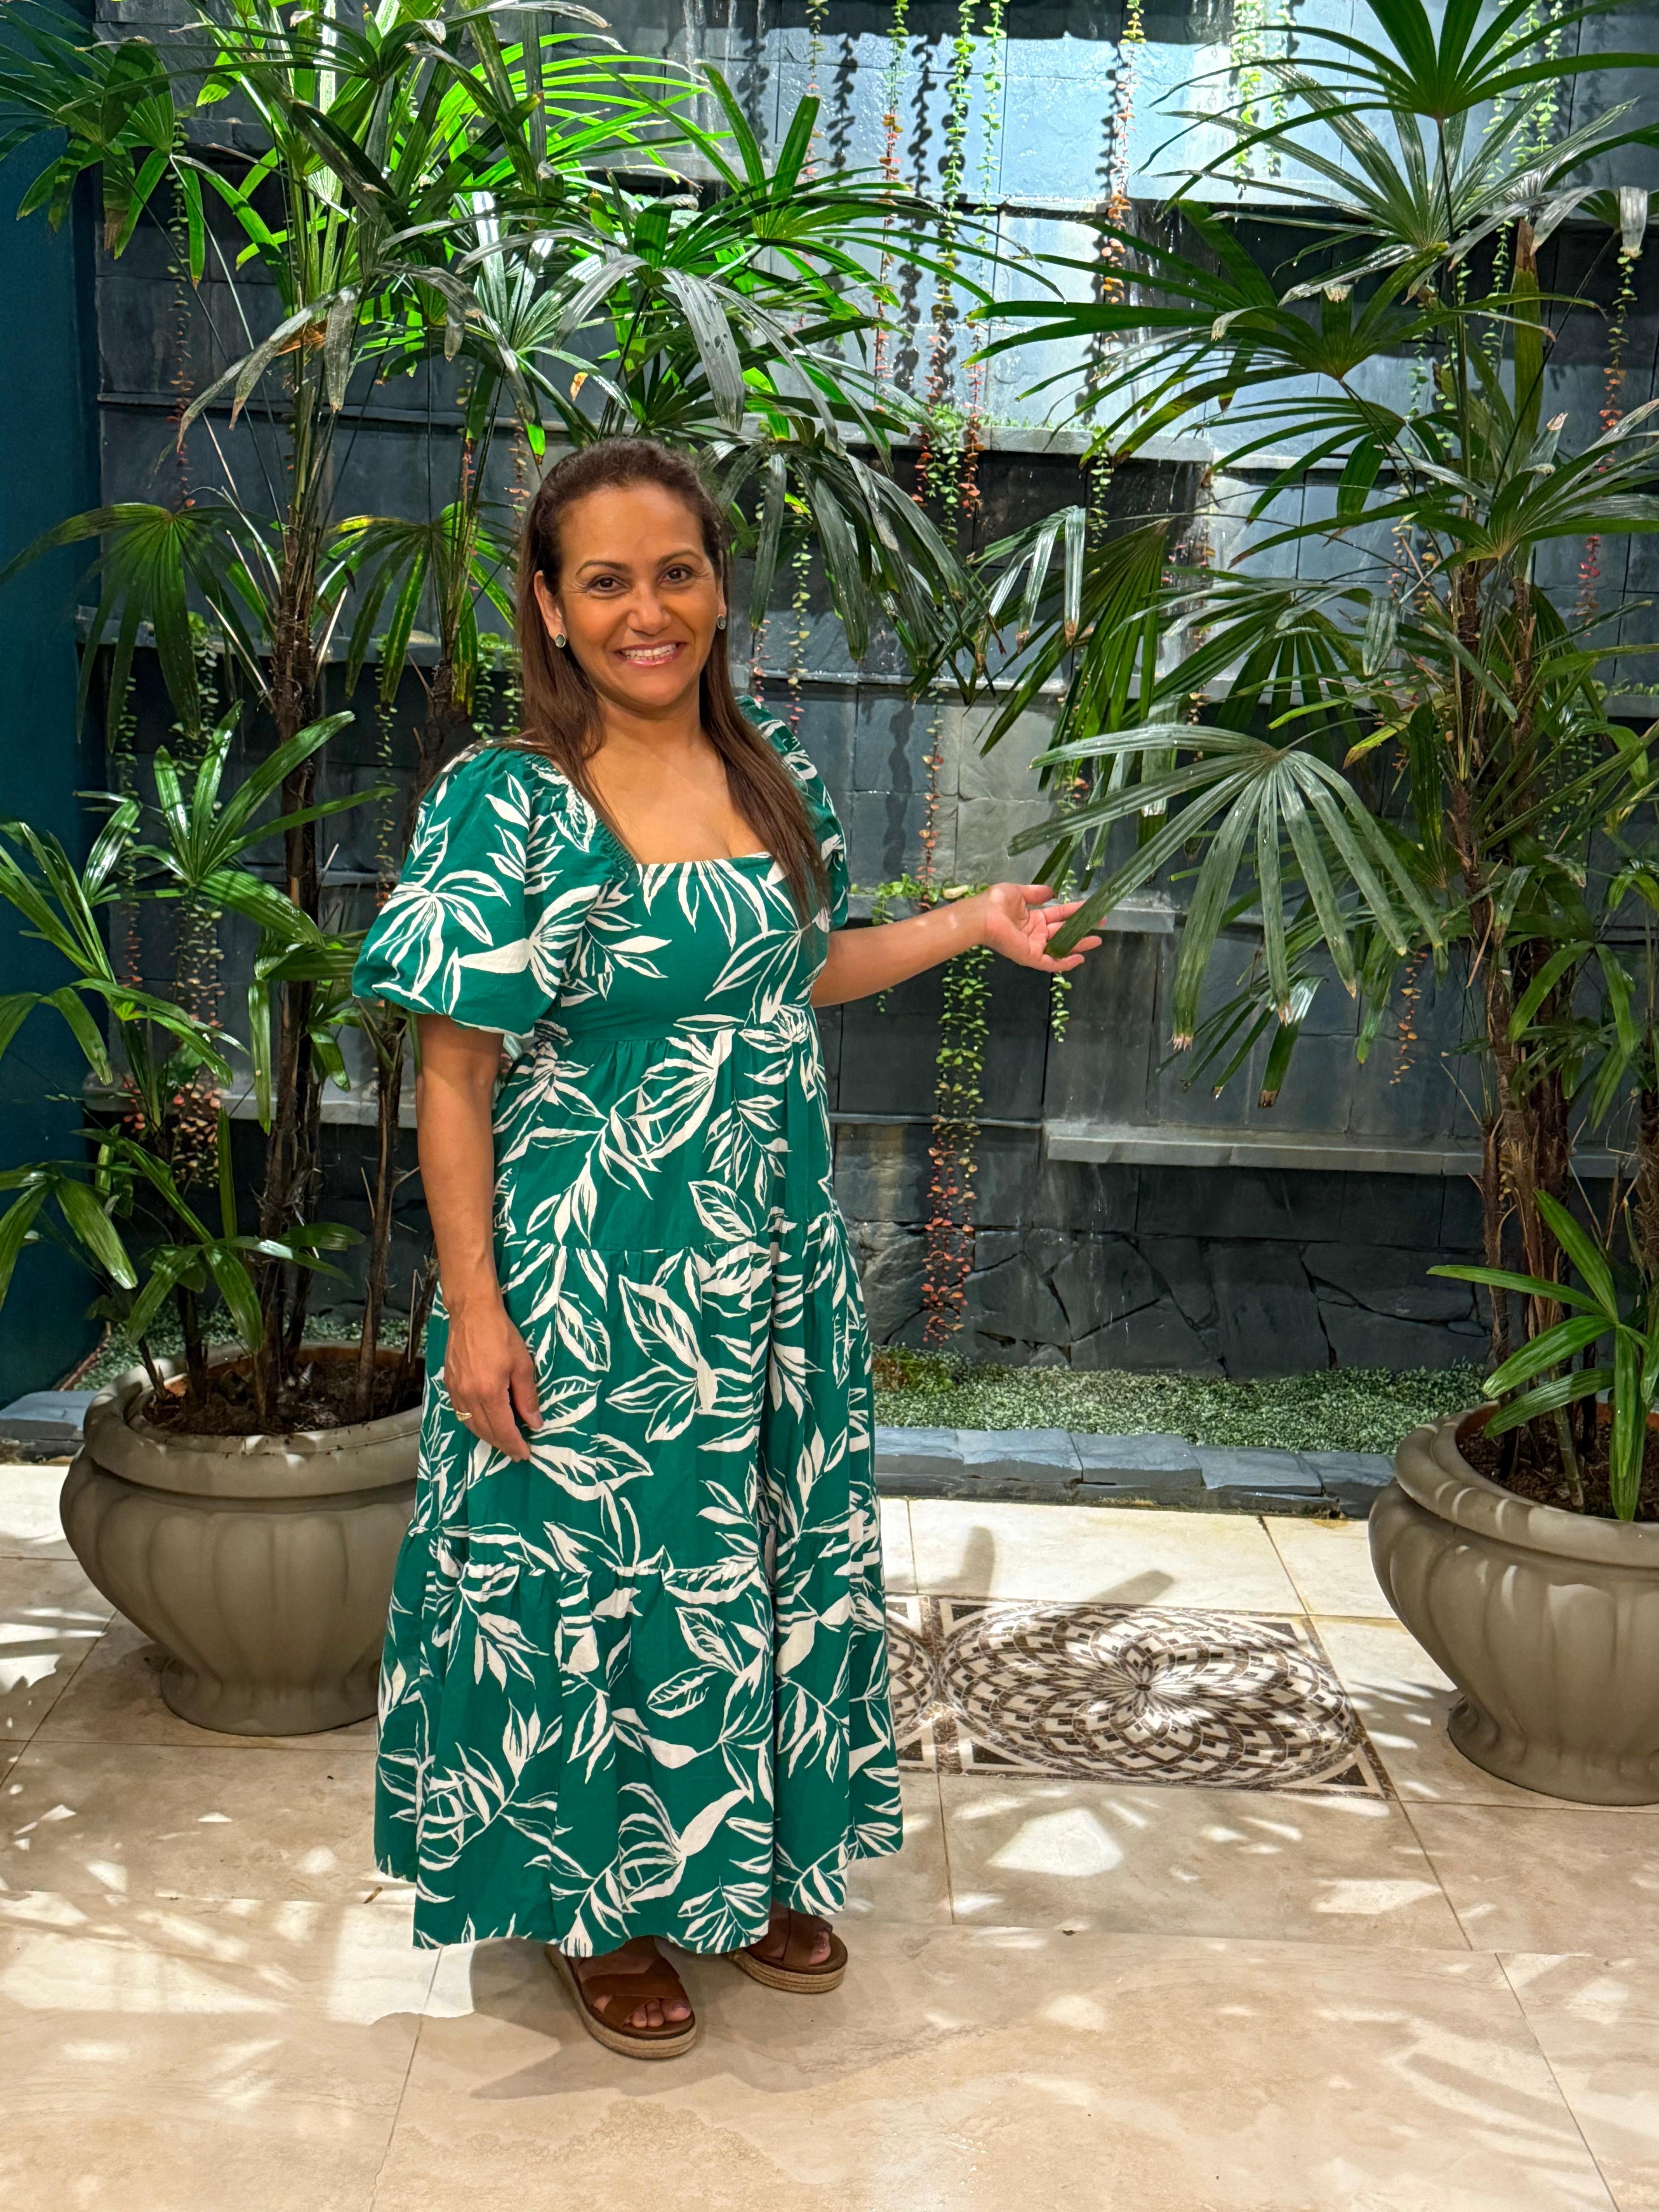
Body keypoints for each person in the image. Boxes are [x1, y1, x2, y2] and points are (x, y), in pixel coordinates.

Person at [352, 436, 1101, 2059]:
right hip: (587, 1274)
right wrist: (476, 1313)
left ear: (715, 587)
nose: (647, 610)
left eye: (674, 572)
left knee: (748, 1569)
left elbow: (795, 977)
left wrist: (974, 919)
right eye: (605, 580)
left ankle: (739, 1863)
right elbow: (453, 1074)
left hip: (763, 1268)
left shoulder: (773, 777)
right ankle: (599, 1903)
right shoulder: (509, 802)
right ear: (549, 610)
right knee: (596, 1589)